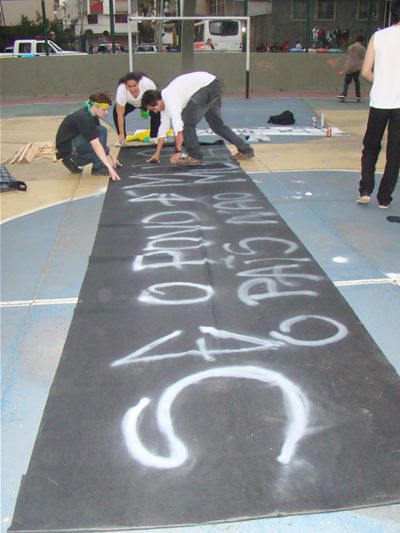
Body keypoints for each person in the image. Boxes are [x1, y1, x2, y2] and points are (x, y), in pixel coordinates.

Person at [141, 71, 255, 166]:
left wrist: (177, 152)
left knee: (186, 122)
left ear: (157, 100)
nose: (155, 111)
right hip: (214, 84)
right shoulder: (163, 103)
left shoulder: (170, 99)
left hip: (208, 87)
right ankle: (246, 150)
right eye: (152, 110)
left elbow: (179, 129)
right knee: (217, 125)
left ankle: (195, 156)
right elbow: (163, 129)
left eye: (154, 108)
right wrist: (157, 153)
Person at [357, 1, 400, 208]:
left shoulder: (378, 36)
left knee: (371, 146)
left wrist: (381, 81)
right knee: (395, 152)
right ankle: (384, 198)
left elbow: (365, 71)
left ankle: (365, 190)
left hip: (379, 101)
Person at [55, 92, 121, 181]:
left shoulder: (92, 113)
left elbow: (101, 141)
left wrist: (113, 158)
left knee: (102, 142)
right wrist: (110, 167)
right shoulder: (84, 117)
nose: (106, 112)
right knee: (101, 133)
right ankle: (97, 167)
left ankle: (74, 163)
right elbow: (96, 144)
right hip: (69, 151)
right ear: (95, 106)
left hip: (72, 148)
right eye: (104, 109)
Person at [113, 71, 160, 147]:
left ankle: (154, 137)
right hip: (130, 103)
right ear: (125, 85)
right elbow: (120, 115)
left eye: (135, 86)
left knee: (156, 111)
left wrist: (150, 107)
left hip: (145, 100)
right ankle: (122, 138)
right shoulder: (121, 90)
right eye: (129, 86)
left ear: (138, 83)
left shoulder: (147, 84)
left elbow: (156, 100)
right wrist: (121, 134)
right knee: (116, 112)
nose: (132, 89)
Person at [337, 35, 366, 103]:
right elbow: (365, 57)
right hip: (357, 67)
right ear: (362, 41)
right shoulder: (362, 48)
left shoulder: (350, 47)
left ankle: (344, 94)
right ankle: (358, 96)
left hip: (349, 66)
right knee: (356, 81)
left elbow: (347, 54)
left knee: (347, 82)